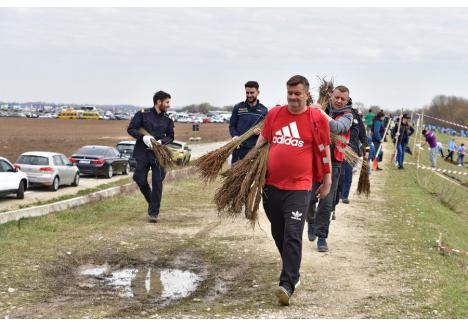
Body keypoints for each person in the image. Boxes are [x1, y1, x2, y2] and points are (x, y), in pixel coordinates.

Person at [255, 75, 331, 306]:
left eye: (297, 93)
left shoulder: (316, 118)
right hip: (271, 185)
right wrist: (248, 167)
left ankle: (287, 284)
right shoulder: (275, 114)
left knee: (292, 233)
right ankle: (293, 272)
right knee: (279, 232)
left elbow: (324, 148)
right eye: (290, 93)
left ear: (306, 94)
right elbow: (262, 142)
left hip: (300, 187)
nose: (293, 97)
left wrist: (327, 180)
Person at [307, 85, 353, 252]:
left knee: (326, 201)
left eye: (343, 99)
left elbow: (337, 128)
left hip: (334, 163)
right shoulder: (320, 106)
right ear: (331, 96)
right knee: (309, 196)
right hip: (315, 159)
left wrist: (321, 113)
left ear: (347, 100)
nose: (339, 101)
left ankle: (321, 237)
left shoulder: (348, 115)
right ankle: (310, 221)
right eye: (337, 97)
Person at [127, 91, 174, 223]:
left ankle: (153, 213)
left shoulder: (168, 119)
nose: (168, 105)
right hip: (142, 153)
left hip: (158, 155)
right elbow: (131, 129)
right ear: (159, 102)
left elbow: (171, 136)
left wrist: (161, 142)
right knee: (139, 179)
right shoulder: (143, 114)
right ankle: (152, 201)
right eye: (167, 102)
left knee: (157, 183)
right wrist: (143, 137)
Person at [229, 81, 268, 164]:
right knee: (235, 175)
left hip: (253, 150)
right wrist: (235, 135)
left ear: (258, 92)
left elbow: (266, 130)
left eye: (252, 92)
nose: (249, 95)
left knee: (251, 176)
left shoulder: (264, 111)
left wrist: (260, 131)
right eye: (247, 92)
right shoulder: (238, 107)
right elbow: (232, 125)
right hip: (238, 148)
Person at [338, 99, 368, 204]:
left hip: (352, 150)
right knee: (338, 174)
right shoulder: (335, 114)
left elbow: (364, 136)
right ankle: (336, 194)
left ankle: (344, 195)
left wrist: (366, 150)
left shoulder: (356, 117)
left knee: (347, 174)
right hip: (337, 149)